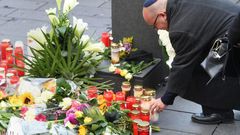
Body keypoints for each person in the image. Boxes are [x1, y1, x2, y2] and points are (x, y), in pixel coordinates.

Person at [142, 0, 240, 124]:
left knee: (194, 74)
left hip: (233, 38)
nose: (157, 29)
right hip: (228, 30)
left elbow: (182, 66)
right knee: (205, 65)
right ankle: (219, 109)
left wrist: (165, 100)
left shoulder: (180, 28)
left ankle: (218, 111)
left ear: (163, 15)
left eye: (155, 25)